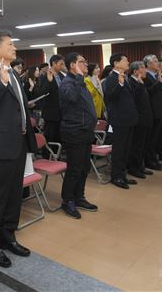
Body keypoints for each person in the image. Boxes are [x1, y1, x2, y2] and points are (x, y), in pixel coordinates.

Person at [0, 29, 36, 268]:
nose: (14, 48)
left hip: (18, 143)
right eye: (10, 44)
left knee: (14, 196)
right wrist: (1, 85)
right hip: (0, 146)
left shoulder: (14, 74)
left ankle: (8, 236)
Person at [58, 53, 98, 219]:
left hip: (85, 131)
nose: (85, 65)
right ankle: (67, 201)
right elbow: (72, 98)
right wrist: (79, 79)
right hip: (74, 132)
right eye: (82, 62)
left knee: (84, 167)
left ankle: (79, 196)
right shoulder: (68, 82)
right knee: (74, 168)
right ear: (72, 65)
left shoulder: (79, 82)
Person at [103, 52, 138, 189]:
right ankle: (116, 176)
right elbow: (109, 98)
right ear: (116, 63)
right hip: (119, 120)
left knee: (126, 149)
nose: (128, 62)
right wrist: (120, 85)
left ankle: (122, 174)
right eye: (125, 60)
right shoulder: (111, 78)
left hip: (128, 119)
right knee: (119, 150)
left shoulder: (124, 77)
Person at [127, 61, 154, 179]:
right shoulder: (131, 82)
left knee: (143, 144)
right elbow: (134, 101)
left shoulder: (141, 82)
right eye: (142, 68)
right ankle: (134, 168)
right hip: (139, 120)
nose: (145, 70)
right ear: (135, 71)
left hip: (146, 118)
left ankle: (140, 166)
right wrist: (139, 84)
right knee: (136, 145)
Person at [142, 54, 162, 169]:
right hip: (153, 112)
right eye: (155, 61)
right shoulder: (145, 76)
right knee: (151, 139)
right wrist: (158, 82)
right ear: (148, 64)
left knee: (158, 137)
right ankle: (150, 161)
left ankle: (155, 158)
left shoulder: (156, 75)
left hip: (161, 111)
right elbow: (148, 93)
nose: (157, 63)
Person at [39, 54, 65, 145]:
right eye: (61, 64)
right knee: (50, 137)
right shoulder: (44, 76)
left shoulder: (63, 76)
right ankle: (47, 155)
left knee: (59, 137)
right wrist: (49, 82)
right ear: (54, 63)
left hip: (62, 112)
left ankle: (57, 156)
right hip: (51, 113)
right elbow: (42, 93)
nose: (63, 66)